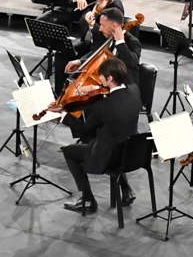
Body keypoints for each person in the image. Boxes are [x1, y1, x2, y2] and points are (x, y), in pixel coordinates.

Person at [60, 57, 142, 215]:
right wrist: (96, 90)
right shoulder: (134, 90)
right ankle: (125, 188)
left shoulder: (103, 107)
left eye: (101, 77)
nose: (99, 79)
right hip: (131, 155)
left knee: (69, 151)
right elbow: (115, 100)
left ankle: (88, 200)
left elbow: (83, 129)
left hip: (110, 158)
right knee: (107, 135)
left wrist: (63, 116)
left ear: (110, 78)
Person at [57, 6, 142, 98]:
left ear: (114, 26)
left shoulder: (133, 42)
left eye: (103, 25)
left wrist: (120, 42)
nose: (100, 29)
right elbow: (98, 53)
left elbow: (132, 62)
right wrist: (81, 61)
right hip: (105, 82)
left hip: (121, 90)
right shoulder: (108, 37)